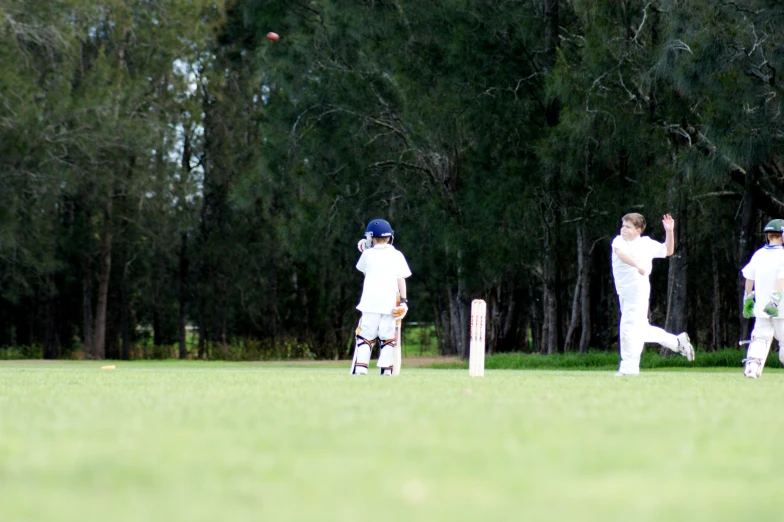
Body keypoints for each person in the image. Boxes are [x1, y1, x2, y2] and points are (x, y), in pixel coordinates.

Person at [611, 213, 694, 376]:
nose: (623, 229)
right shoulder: (619, 241)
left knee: (629, 327)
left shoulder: (646, 244)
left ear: (638, 230)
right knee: (642, 329)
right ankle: (677, 342)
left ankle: (629, 368)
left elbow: (668, 250)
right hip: (625, 292)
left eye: (628, 227)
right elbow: (622, 254)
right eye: (623, 225)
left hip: (638, 291)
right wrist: (637, 265)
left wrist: (669, 231)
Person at [350, 219, 412, 375]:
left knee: (365, 336)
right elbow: (401, 278)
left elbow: (365, 271)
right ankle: (386, 371)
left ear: (371, 237)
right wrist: (403, 302)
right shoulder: (397, 255)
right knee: (388, 338)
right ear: (390, 237)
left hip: (370, 303)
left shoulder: (368, 255)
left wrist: (364, 250)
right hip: (390, 304)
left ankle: (361, 369)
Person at [740, 219, 784, 378]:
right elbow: (782, 280)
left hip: (761, 309)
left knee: (759, 339)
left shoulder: (758, 254)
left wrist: (748, 298)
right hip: (780, 309)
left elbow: (749, 278)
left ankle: (752, 369)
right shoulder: (782, 255)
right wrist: (776, 300)